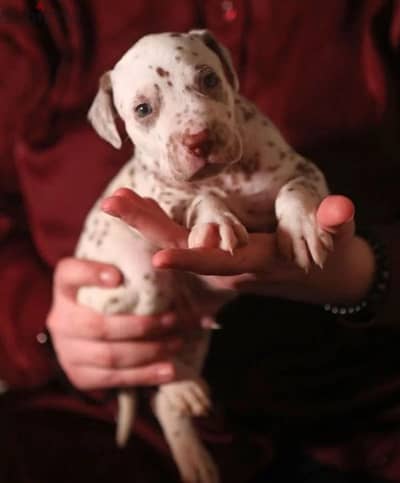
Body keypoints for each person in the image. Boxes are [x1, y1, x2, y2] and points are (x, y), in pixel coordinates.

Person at [1, 0, 399, 482]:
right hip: (105, 384)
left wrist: (364, 273)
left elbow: (296, 175)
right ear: (118, 126)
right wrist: (45, 331)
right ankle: (173, 402)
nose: (196, 128)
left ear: (226, 72)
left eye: (206, 82)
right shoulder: (36, 18)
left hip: (359, 404)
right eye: (145, 110)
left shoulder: (257, 130)